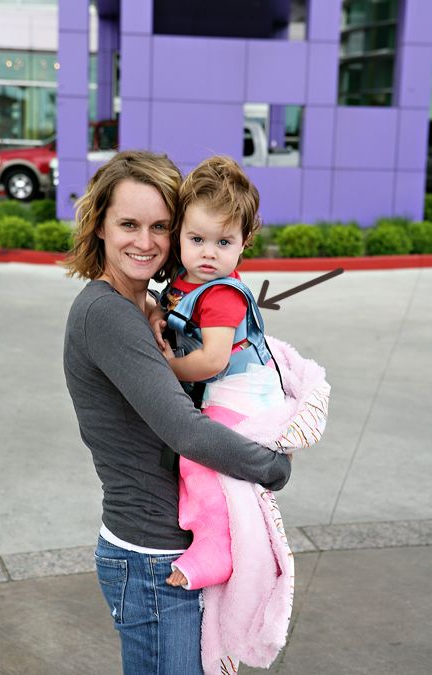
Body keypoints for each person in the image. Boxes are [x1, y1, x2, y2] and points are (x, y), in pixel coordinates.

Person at [62, 150, 292, 675]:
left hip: (170, 549)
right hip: (149, 556)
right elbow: (186, 430)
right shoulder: (106, 315)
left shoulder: (151, 307)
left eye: (160, 226)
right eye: (128, 224)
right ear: (99, 225)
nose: (145, 241)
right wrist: (271, 466)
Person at [150, 155, 287, 591]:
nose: (209, 253)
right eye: (197, 239)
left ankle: (217, 546)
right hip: (222, 394)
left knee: (198, 453)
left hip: (245, 398)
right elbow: (173, 310)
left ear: (244, 242)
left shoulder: (223, 294)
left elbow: (212, 360)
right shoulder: (183, 280)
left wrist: (165, 367)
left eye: (224, 243)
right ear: (180, 235)